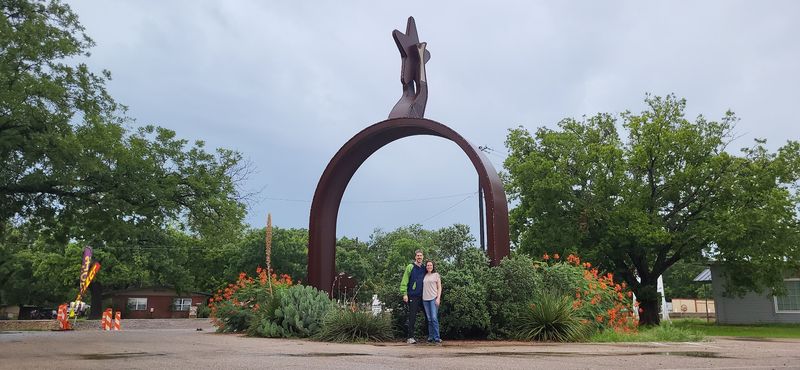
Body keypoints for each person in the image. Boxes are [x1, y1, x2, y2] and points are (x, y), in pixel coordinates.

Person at [400, 249, 426, 344]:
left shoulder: (424, 268)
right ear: (415, 257)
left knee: (428, 316)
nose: (419, 257)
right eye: (418, 255)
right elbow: (404, 280)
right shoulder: (410, 267)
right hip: (413, 296)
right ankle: (410, 337)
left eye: (421, 255)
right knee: (412, 316)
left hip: (423, 296)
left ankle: (430, 337)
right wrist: (404, 293)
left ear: (423, 257)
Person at [422, 260, 442, 345]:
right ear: (426, 267)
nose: (429, 266)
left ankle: (437, 337)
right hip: (425, 299)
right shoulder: (425, 275)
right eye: (427, 265)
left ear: (433, 266)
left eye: (430, 265)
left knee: (434, 318)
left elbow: (439, 287)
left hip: (433, 298)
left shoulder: (436, 275)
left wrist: (438, 298)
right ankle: (430, 337)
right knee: (429, 319)